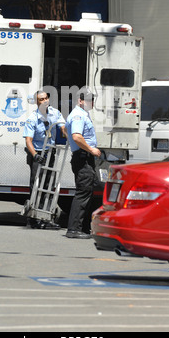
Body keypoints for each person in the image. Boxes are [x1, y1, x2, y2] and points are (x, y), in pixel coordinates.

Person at [23, 90, 66, 228]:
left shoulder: (55, 113)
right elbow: (28, 140)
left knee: (48, 185)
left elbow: (63, 127)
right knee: (36, 185)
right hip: (38, 152)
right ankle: (33, 218)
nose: (45, 101)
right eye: (41, 99)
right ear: (37, 102)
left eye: (46, 98)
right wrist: (35, 155)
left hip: (50, 151)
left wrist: (68, 134)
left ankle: (45, 217)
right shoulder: (32, 118)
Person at [65, 87, 101, 239]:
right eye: (88, 100)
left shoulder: (81, 114)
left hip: (83, 156)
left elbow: (67, 131)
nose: (91, 102)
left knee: (87, 192)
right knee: (83, 192)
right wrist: (91, 150)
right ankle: (74, 229)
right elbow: (76, 136)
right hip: (83, 157)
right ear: (80, 101)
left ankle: (82, 227)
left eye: (92, 99)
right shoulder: (78, 116)